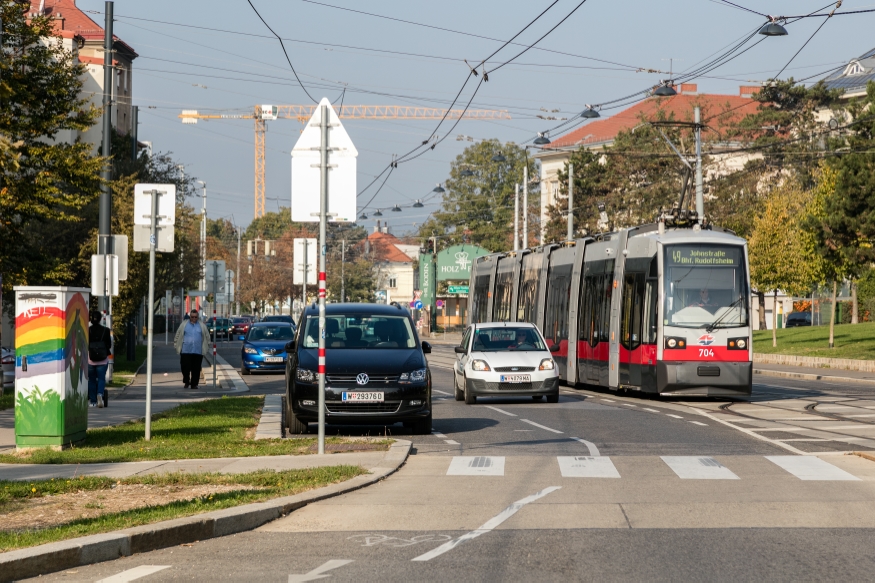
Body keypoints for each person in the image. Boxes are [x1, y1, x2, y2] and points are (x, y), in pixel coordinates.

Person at [174, 309, 212, 389]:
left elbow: (207, 337)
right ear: (189, 317)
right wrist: (176, 345)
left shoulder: (201, 325)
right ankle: (186, 381)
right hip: (185, 350)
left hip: (197, 351)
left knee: (196, 369)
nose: (194, 318)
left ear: (198, 317)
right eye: (192, 317)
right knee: (185, 367)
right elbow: (178, 335)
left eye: (195, 317)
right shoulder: (184, 324)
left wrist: (207, 346)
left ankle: (194, 384)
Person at [87, 310, 112, 408]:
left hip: (91, 359)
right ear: (101, 319)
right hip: (102, 359)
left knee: (91, 380)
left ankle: (93, 401)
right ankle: (100, 394)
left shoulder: (88, 330)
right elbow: (109, 345)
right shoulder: (106, 330)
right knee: (101, 378)